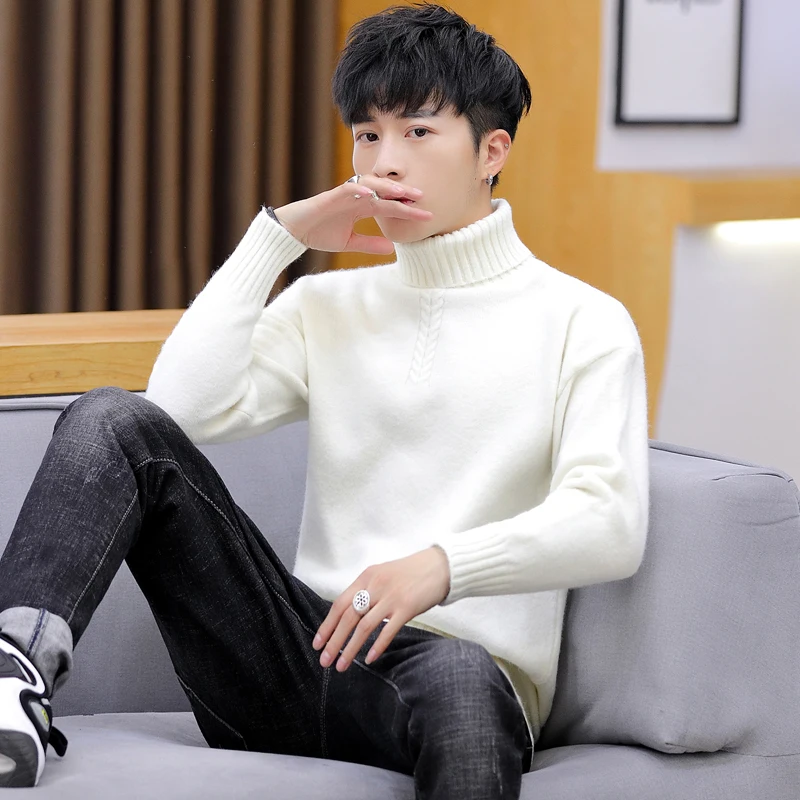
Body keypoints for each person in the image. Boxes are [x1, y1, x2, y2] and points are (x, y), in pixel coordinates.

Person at [0, 3, 650, 797]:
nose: (385, 162)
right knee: (111, 416)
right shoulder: (325, 307)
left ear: (492, 150)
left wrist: (441, 568)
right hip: (295, 656)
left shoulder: (583, 321)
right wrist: (276, 237)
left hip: (448, 682)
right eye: (368, 135)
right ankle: (11, 683)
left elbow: (608, 520)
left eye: (417, 131)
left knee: (460, 673)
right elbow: (178, 410)